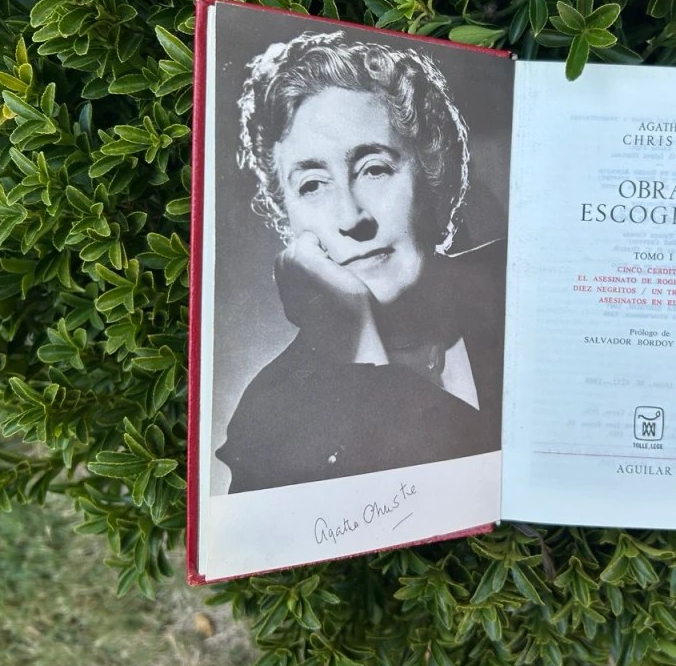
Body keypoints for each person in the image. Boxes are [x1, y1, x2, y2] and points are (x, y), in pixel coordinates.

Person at [216, 31, 505, 493]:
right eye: (312, 185)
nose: (351, 218)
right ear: (287, 216)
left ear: (435, 174)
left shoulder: (518, 283)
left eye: (374, 169)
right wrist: (359, 349)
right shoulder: (269, 419)